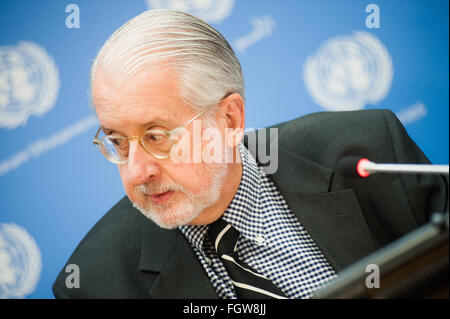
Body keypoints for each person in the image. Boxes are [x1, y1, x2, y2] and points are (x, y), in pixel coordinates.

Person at [52, 9, 447, 299]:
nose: (136, 172)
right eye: (117, 142)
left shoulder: (368, 150)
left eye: (156, 136)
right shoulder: (95, 281)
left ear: (229, 119)